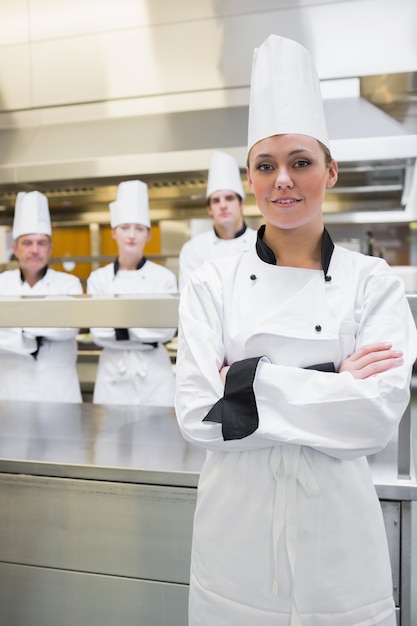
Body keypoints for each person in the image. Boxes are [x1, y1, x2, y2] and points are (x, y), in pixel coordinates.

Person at [175, 34, 417, 626]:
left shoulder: (372, 282)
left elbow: (376, 416)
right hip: (235, 539)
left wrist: (249, 382)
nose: (283, 179)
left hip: (338, 540)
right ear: (252, 178)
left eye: (301, 162)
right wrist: (335, 379)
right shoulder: (212, 280)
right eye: (266, 165)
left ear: (329, 171)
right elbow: (199, 416)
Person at [87, 180, 177, 406]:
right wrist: (144, 326)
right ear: (114, 233)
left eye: (139, 229)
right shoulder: (99, 279)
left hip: (155, 374)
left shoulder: (164, 277)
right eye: (125, 227)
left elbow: (166, 330)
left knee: (158, 439)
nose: (132, 235)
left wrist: (118, 327)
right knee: (109, 436)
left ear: (148, 235)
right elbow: (98, 333)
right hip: (112, 373)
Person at [0, 190, 83, 403]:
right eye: (27, 243)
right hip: (11, 389)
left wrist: (16, 328)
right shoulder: (2, 283)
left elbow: (68, 328)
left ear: (50, 248)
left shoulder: (69, 283)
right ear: (15, 249)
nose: (35, 250)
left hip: (59, 389)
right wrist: (44, 326)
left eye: (41, 243)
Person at [178, 150, 257, 290]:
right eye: (216, 200)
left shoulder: (260, 242)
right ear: (209, 209)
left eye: (229, 198)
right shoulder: (193, 250)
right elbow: (189, 298)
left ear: (242, 204)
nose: (223, 205)